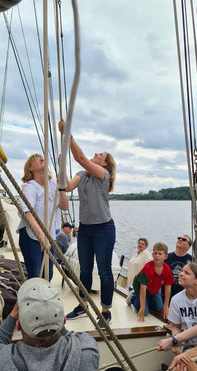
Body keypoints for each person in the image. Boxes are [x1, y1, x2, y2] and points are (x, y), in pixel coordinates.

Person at [0, 278, 99, 371]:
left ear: (18, 326)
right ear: (64, 321)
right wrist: (53, 315)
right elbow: (70, 338)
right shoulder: (87, 350)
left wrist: (13, 315)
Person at [58, 120, 116, 328]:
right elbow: (66, 187)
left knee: (104, 271)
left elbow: (80, 158)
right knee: (84, 269)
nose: (97, 154)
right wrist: (61, 168)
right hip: (85, 229)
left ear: (104, 164)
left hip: (103, 229)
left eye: (101, 155)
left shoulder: (103, 176)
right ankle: (83, 305)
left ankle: (106, 311)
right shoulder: (82, 175)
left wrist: (68, 136)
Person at [157, 262, 197, 371]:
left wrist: (173, 340)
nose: (181, 274)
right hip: (189, 348)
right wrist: (178, 344)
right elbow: (176, 326)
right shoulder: (176, 300)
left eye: (186, 273)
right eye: (182, 271)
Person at [17, 154, 68, 281]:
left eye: (42, 158)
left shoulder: (52, 184)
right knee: (35, 273)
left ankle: (40, 300)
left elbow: (64, 206)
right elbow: (27, 212)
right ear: (30, 168)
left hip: (48, 237)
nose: (41, 159)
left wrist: (61, 180)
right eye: (36, 159)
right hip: (31, 236)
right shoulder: (29, 186)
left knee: (48, 274)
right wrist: (41, 236)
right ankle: (26, 300)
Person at [127, 242, 175, 322]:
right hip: (140, 287)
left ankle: (146, 299)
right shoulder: (148, 268)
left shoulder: (167, 269)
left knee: (159, 308)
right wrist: (142, 308)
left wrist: (166, 305)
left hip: (153, 289)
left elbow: (168, 287)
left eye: (160, 254)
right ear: (152, 255)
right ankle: (133, 297)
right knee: (145, 312)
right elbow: (143, 289)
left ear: (166, 256)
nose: (157, 256)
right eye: (155, 253)